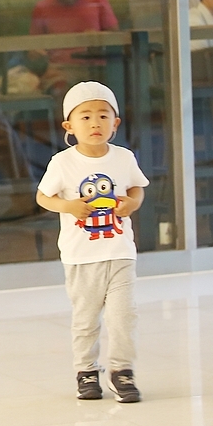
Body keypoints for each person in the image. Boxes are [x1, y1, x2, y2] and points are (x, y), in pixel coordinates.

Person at [36, 82, 149, 403]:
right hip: (81, 257)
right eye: (85, 117)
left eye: (103, 115)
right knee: (86, 320)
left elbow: (137, 187)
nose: (95, 123)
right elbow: (43, 196)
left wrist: (133, 203)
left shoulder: (124, 158)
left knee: (123, 316)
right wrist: (68, 206)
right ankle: (86, 371)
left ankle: (122, 370)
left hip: (120, 252)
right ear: (69, 126)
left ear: (115, 123)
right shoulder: (63, 162)